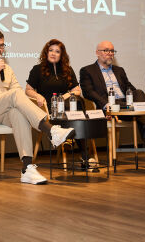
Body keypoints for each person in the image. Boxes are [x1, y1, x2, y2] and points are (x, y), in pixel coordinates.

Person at [0, 30, 75, 184]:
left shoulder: (6, 68)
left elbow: (18, 91)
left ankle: (27, 169)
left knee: (18, 113)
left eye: (1, 45)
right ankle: (50, 130)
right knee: (14, 94)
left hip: (3, 109)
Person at [79, 40, 145, 168]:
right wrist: (105, 104)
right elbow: (88, 92)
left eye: (112, 51)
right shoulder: (87, 70)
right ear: (97, 53)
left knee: (139, 93)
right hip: (109, 106)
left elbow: (130, 88)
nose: (110, 53)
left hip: (127, 105)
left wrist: (138, 98)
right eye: (106, 50)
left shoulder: (119, 70)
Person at [25, 39, 94, 168]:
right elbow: (28, 90)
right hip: (49, 108)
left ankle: (72, 141)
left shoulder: (67, 70)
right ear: (46, 53)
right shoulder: (37, 69)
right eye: (51, 50)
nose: (53, 53)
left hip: (67, 107)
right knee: (76, 111)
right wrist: (37, 95)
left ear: (61, 55)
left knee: (77, 103)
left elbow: (77, 90)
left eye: (57, 51)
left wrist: (65, 96)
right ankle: (83, 153)